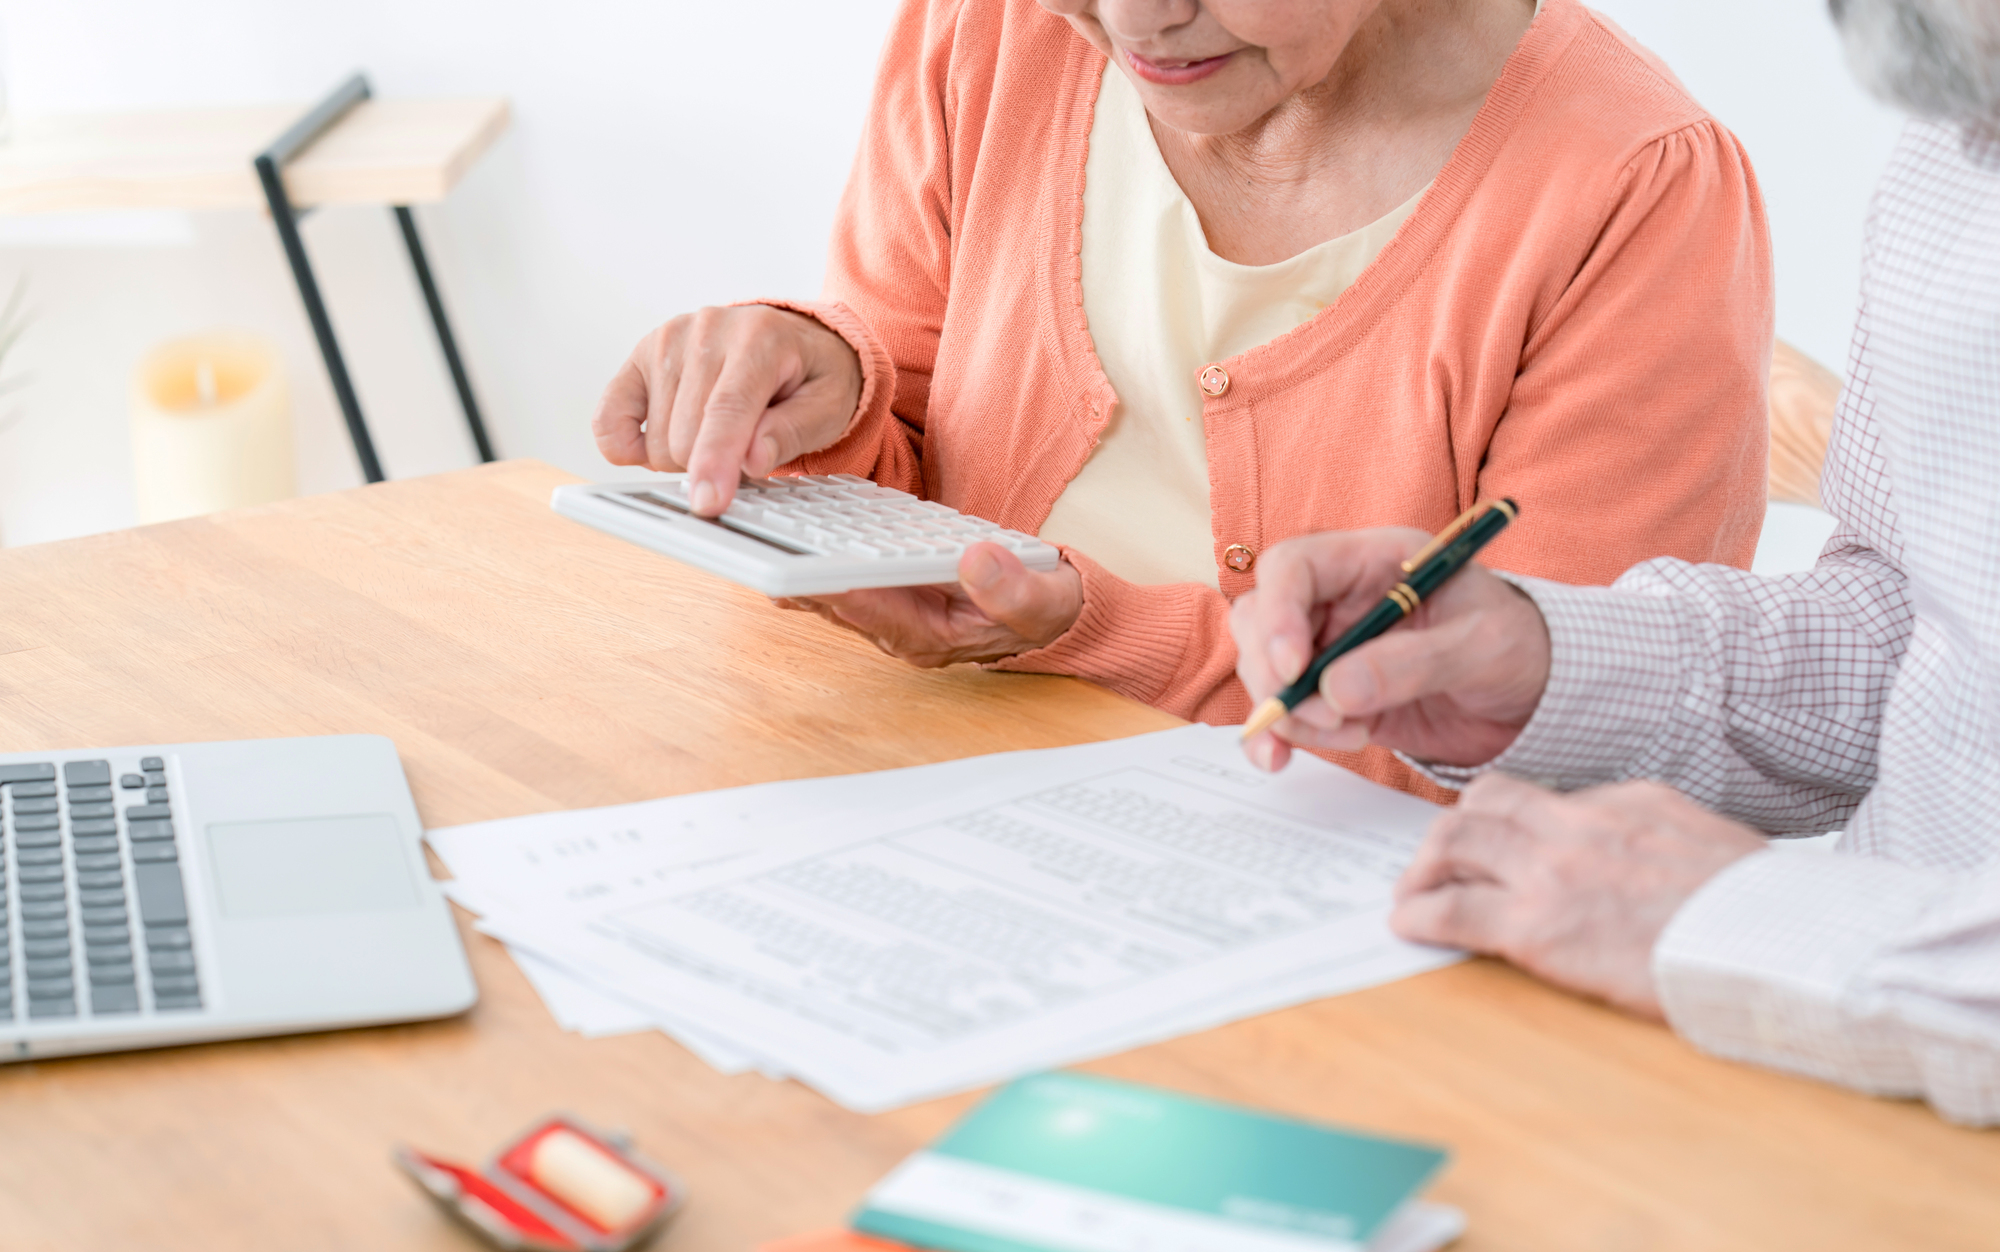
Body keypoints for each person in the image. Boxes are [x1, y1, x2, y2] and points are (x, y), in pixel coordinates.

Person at [594, 0, 1774, 801]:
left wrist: (1092, 634)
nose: (1131, 21)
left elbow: (1550, 754)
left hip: (1338, 944)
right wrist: (825, 387)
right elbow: (908, 472)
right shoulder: (998, 30)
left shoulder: (1632, 186)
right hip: (930, 794)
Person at [1230, 0, 2000, 1126]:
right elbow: (1931, 635)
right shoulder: (1953, 134)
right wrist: (1546, 667)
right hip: (1839, 1091)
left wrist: (1749, 920)